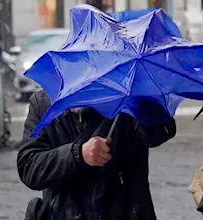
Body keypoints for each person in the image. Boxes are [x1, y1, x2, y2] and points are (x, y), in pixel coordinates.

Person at [18, 90, 177, 220]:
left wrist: (144, 101)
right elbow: (29, 167)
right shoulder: (43, 103)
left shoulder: (125, 96)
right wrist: (77, 154)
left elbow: (160, 133)